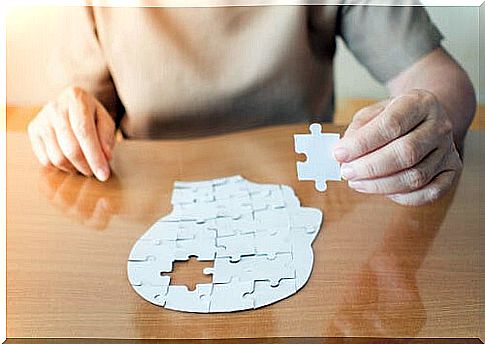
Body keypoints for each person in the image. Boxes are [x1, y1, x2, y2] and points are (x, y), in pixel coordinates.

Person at [27, 4, 476, 206]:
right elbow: (76, 109)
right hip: (149, 210)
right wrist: (63, 123)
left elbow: (438, 77)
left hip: (303, 208)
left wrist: (433, 113)